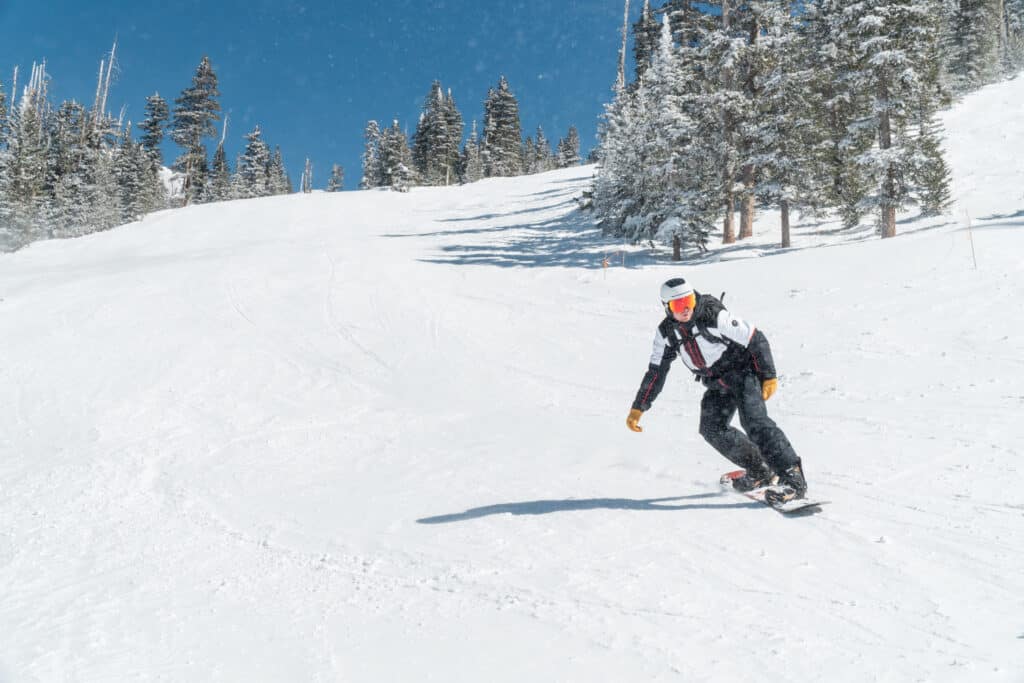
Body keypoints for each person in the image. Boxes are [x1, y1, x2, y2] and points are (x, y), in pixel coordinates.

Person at [625, 277, 807, 504]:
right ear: (666, 307)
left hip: (743, 373)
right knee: (711, 428)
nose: (686, 309)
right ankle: (760, 471)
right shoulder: (666, 333)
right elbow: (656, 371)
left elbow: (755, 338)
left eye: (689, 300)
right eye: (678, 305)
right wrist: (638, 407)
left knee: (755, 422)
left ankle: (793, 479)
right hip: (717, 383)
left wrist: (768, 376)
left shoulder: (712, 315)